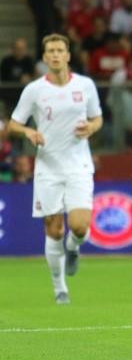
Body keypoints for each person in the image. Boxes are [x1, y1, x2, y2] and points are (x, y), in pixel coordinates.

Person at [6, 33, 103, 304]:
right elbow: (13, 124)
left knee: (79, 227)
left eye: (60, 50)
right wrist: (29, 132)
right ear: (45, 57)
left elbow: (97, 118)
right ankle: (60, 288)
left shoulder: (85, 85)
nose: (56, 55)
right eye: (51, 51)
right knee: (54, 230)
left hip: (79, 165)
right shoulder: (34, 90)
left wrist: (91, 127)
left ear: (68, 55)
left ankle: (73, 247)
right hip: (48, 168)